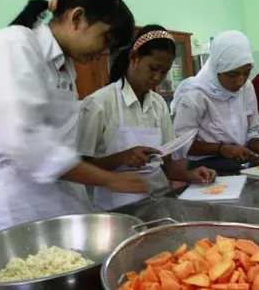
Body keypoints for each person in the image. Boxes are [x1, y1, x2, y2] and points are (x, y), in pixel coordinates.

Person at [0, 0, 147, 243]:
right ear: (77, 18)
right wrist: (109, 179)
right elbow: (28, 143)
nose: (104, 53)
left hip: (52, 205)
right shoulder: (14, 44)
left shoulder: (65, 69)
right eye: (105, 39)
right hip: (10, 210)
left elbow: (59, 147)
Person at [77, 25, 216, 210]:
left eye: (164, 72)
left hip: (159, 201)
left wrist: (189, 175)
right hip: (117, 208)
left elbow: (167, 165)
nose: (157, 78)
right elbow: (81, 167)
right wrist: (121, 158)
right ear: (134, 58)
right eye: (153, 68)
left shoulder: (158, 105)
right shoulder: (99, 104)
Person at [171, 30, 259, 174]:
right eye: (232, 74)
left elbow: (252, 131)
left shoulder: (247, 88)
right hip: (204, 170)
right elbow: (181, 143)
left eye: (246, 72)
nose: (240, 81)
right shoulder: (195, 94)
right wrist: (220, 149)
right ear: (217, 68)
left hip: (239, 165)